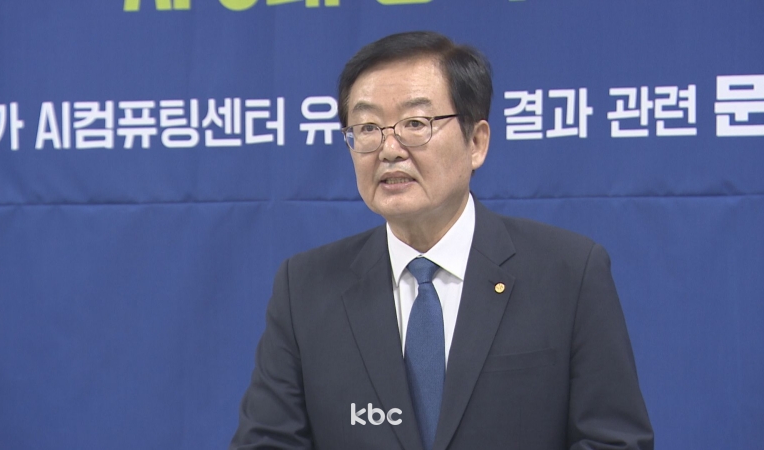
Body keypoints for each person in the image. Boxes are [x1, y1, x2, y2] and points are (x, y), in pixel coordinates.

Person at [230, 31, 654, 450]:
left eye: (416, 124)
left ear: (476, 142)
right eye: (368, 128)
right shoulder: (305, 287)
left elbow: (615, 441)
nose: (389, 149)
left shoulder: (568, 273)